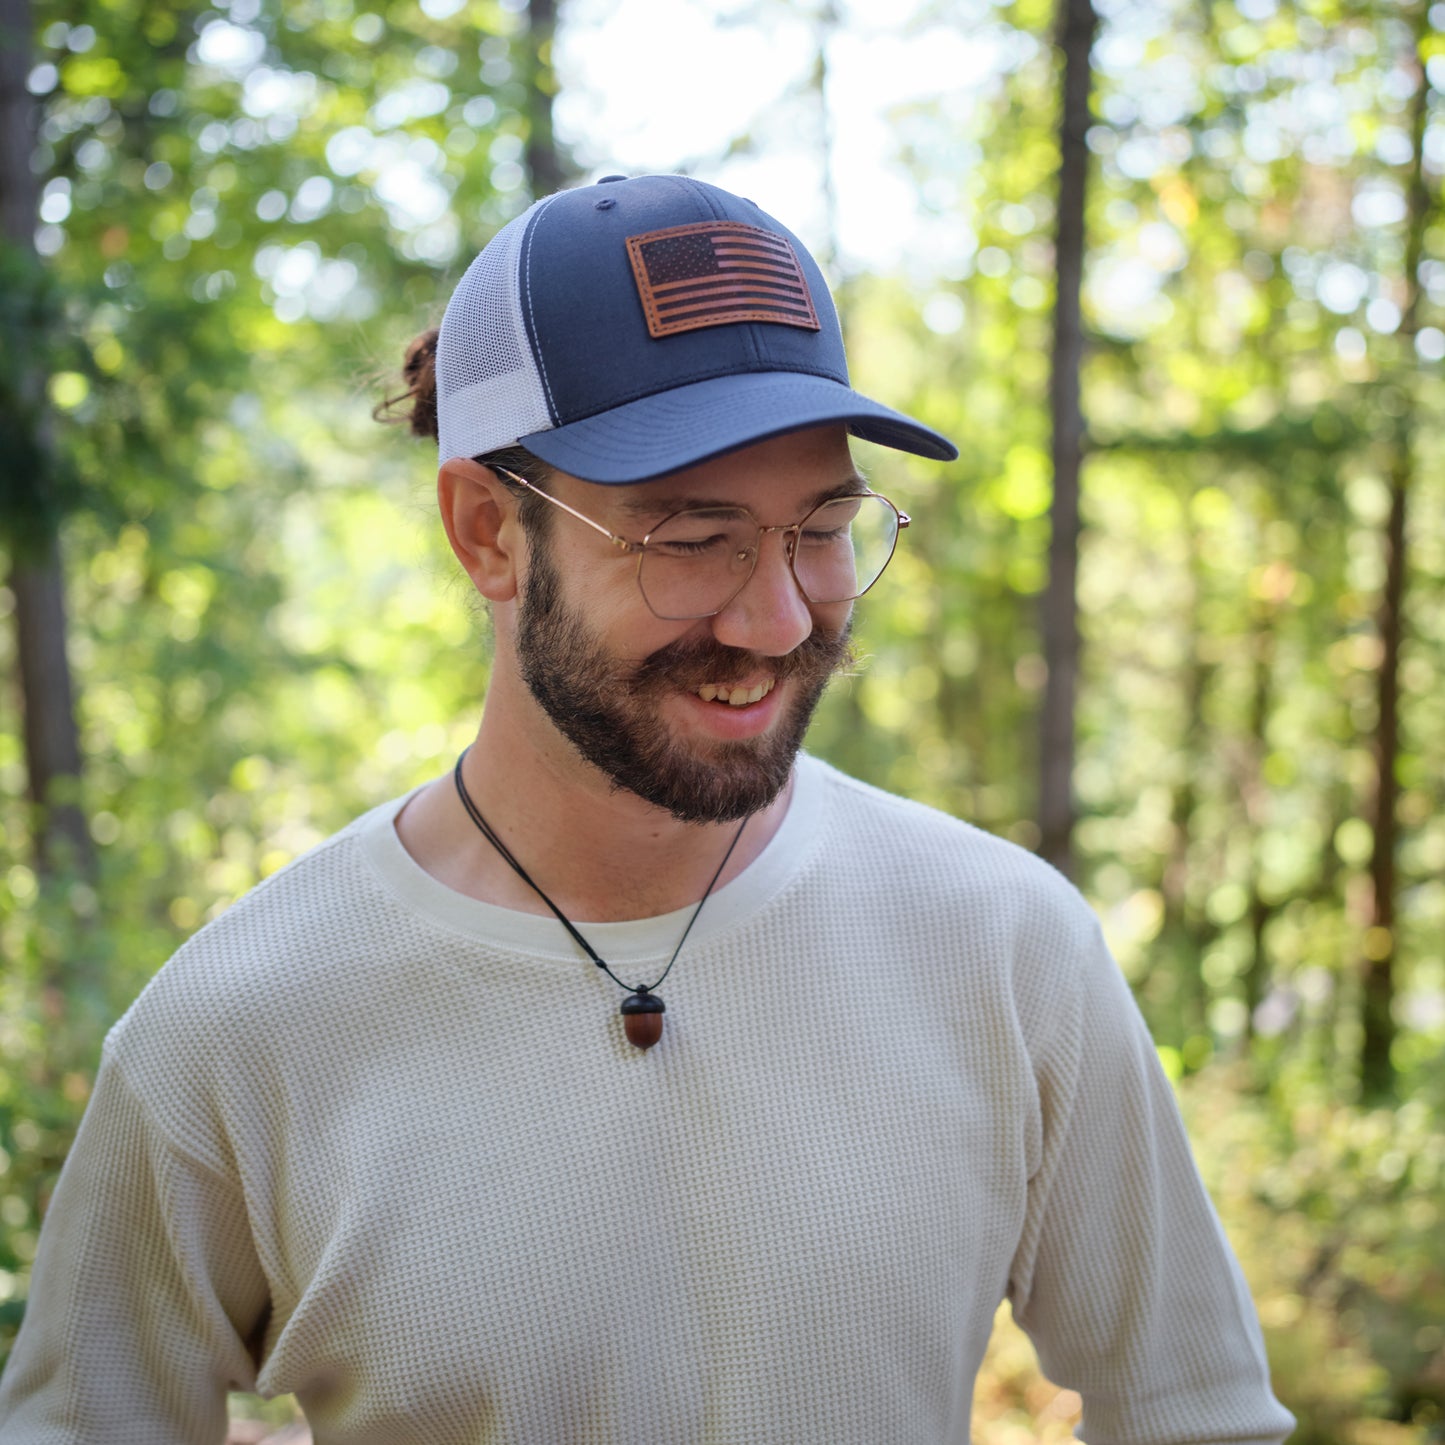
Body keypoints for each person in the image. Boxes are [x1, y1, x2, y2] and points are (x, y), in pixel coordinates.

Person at [0, 173, 1294, 1445]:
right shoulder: (236, 1026)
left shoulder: (1003, 945)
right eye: (690, 537)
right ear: (486, 533)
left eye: (823, 525)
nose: (778, 619)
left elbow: (1198, 1414)